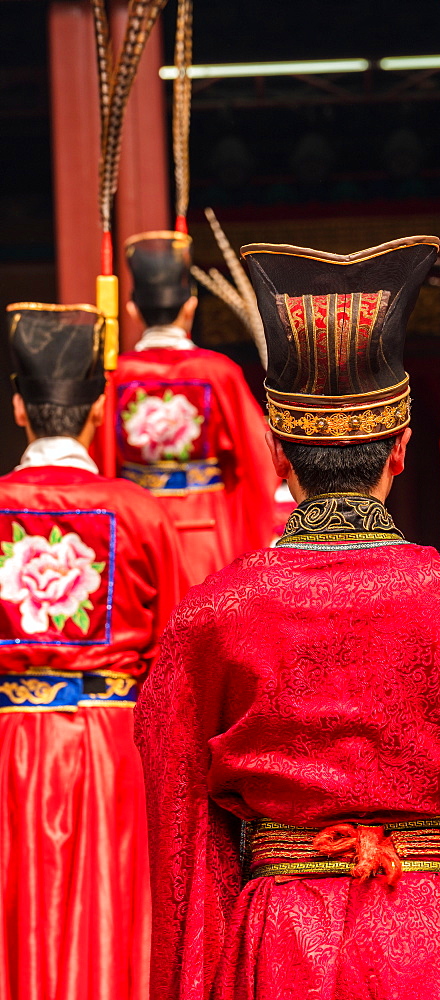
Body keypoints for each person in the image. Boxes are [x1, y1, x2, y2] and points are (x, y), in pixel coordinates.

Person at [136, 236, 440, 1000]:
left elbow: (179, 849)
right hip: (438, 941)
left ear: (274, 454)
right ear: (403, 449)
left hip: (280, 946)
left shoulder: (214, 617)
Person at [0, 302, 182, 1000]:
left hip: (12, 746)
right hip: (111, 748)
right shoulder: (138, 511)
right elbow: (179, 657)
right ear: (102, 409)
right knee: (112, 916)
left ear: (20, 407)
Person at [108, 230, 278, 588]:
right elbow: (258, 458)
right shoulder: (218, 372)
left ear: (132, 308)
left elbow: (101, 459)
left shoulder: (116, 376)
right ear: (191, 305)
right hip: (205, 530)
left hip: (132, 527)